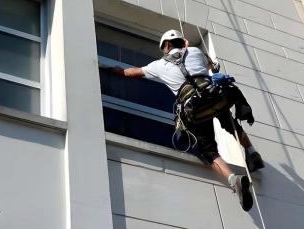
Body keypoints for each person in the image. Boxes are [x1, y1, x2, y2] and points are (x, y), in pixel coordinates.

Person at [110, 29, 264, 211]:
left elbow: (131, 72)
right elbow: (211, 66)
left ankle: (233, 179)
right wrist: (189, 49)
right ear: (181, 42)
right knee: (230, 124)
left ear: (167, 45)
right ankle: (252, 152)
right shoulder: (196, 52)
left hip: (195, 108)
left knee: (208, 150)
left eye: (163, 48)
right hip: (214, 96)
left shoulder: (159, 65)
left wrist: (114, 70)